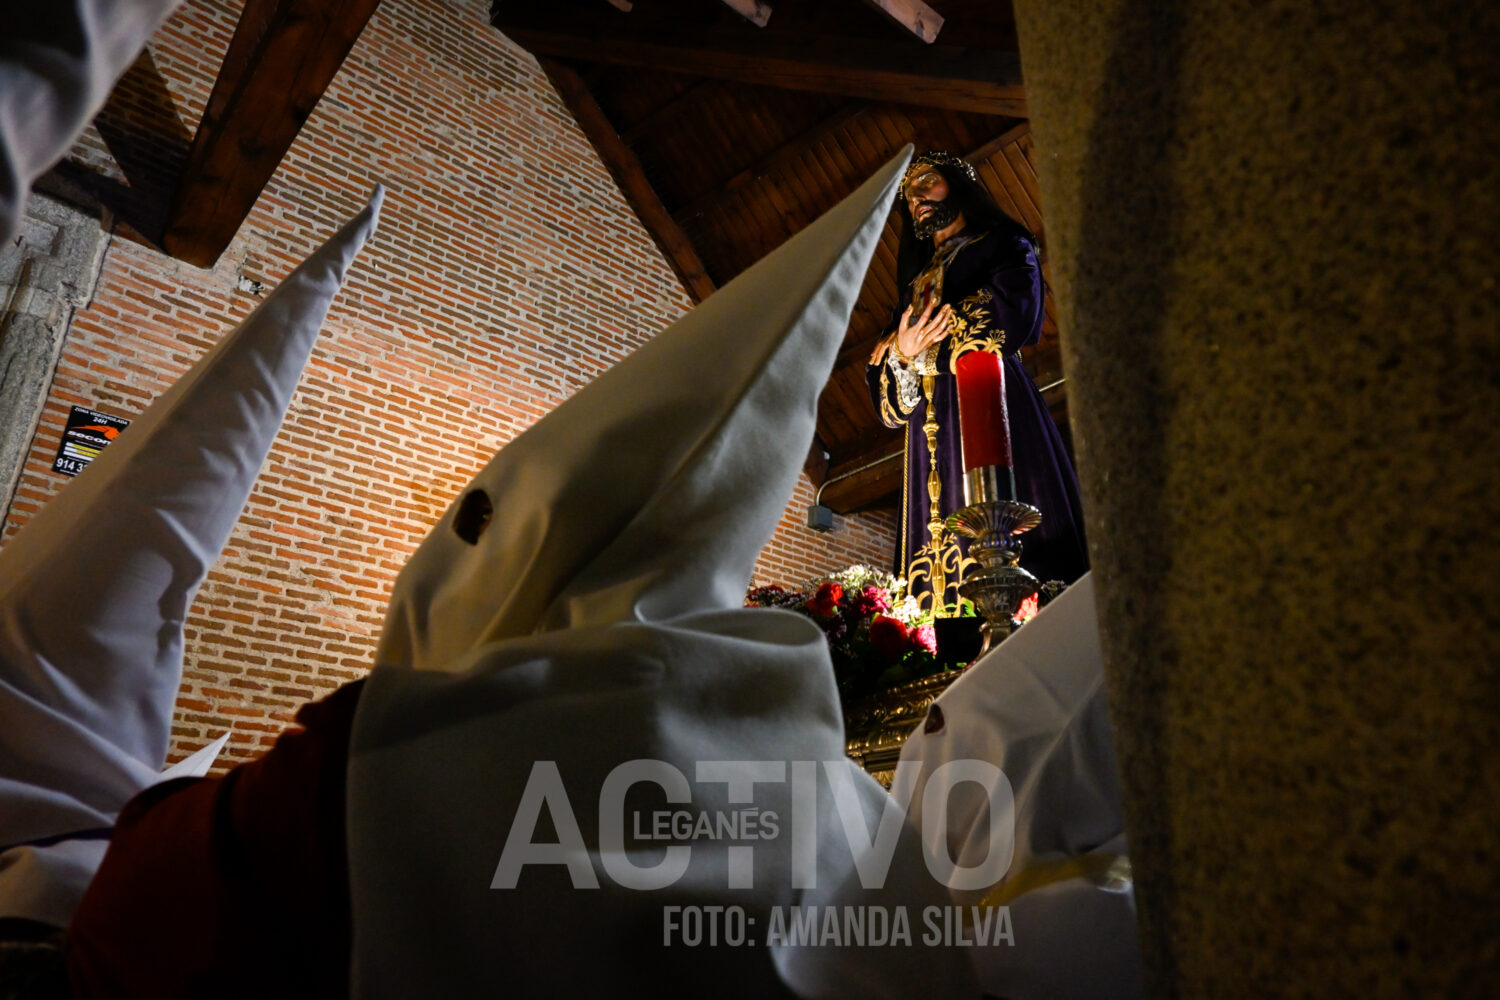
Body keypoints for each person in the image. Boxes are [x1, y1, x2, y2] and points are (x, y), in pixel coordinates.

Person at [867, 152, 1088, 614]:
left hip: (991, 404)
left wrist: (913, 351)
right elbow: (886, 397)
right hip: (926, 437)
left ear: (959, 184)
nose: (915, 197)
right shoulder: (912, 288)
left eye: (926, 181)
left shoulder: (1004, 243)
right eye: (908, 194)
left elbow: (1013, 313)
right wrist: (903, 353)